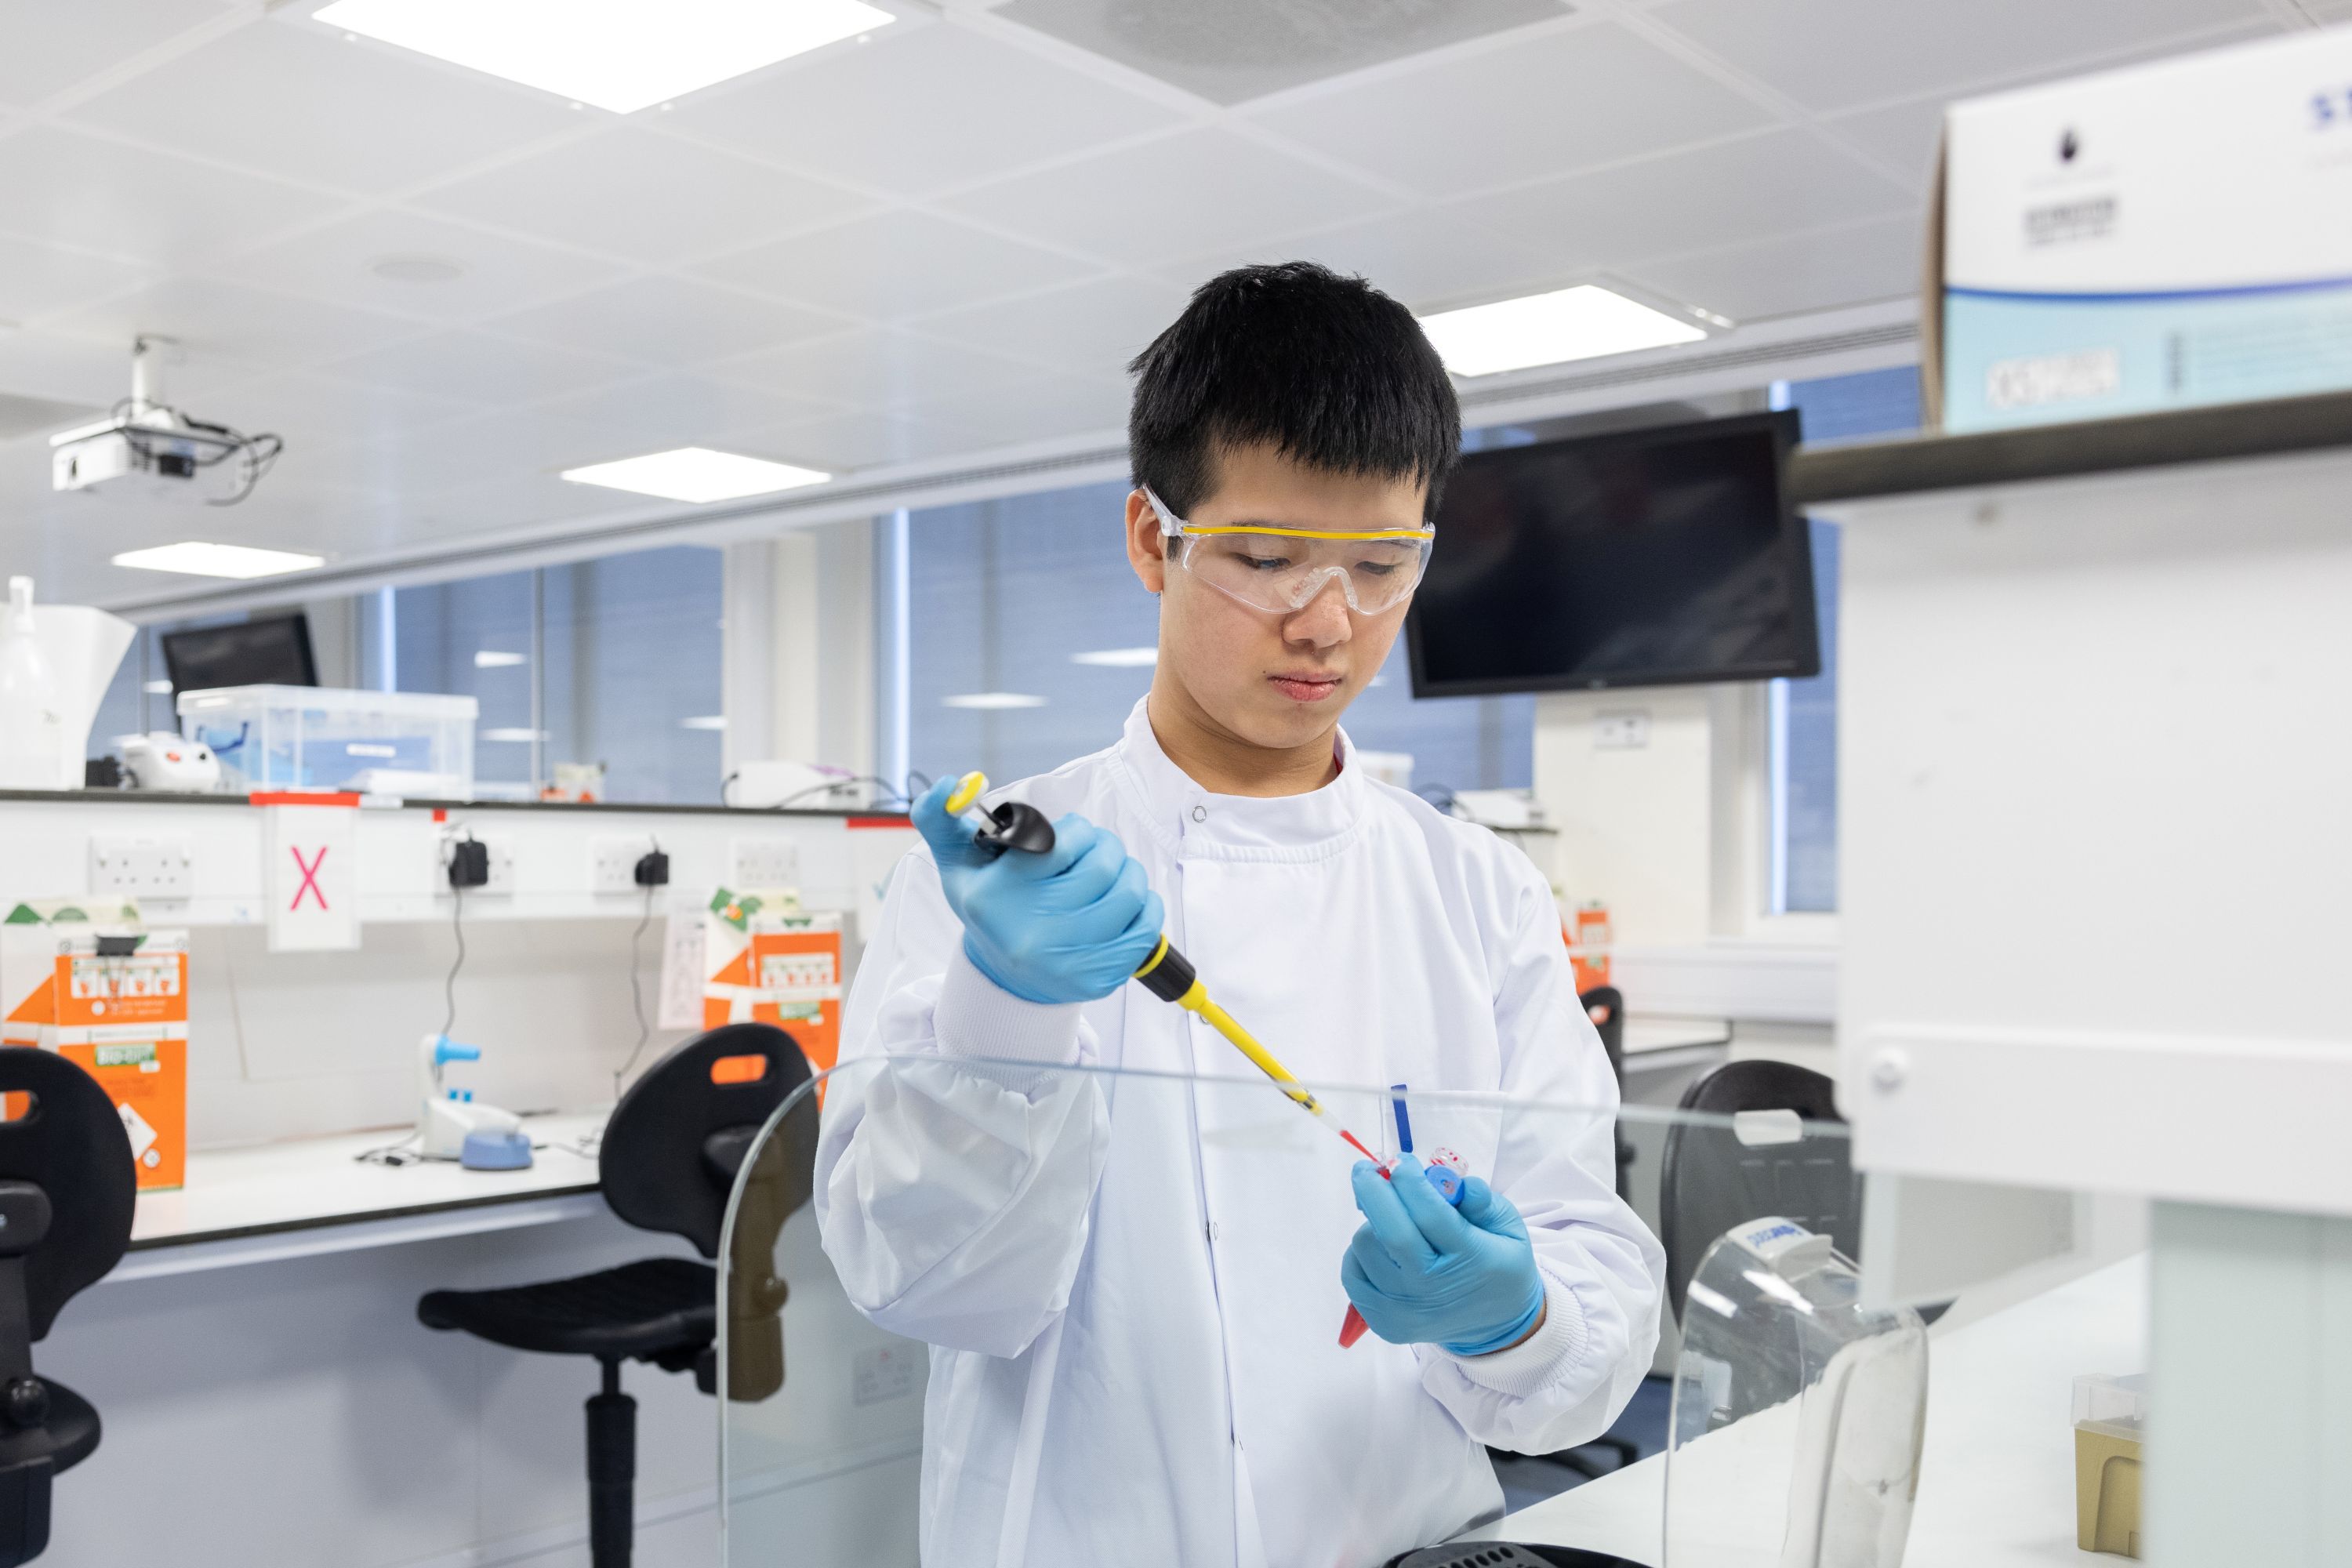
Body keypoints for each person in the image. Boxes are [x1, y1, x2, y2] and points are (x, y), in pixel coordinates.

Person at [815, 262, 1664, 1567]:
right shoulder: (996, 876)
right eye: (1266, 559)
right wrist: (1006, 1009)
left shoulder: (1475, 892)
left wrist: (1519, 1319)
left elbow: (1588, 1337)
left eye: (1384, 565)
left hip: (1403, 1543)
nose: (1329, 623)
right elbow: (920, 1285)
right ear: (1155, 540)